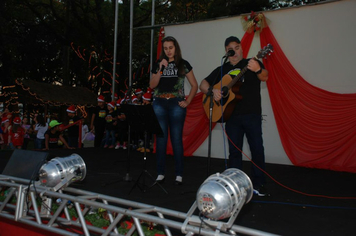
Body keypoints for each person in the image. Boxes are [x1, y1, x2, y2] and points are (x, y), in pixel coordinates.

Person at [200, 36, 269, 196]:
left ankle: (259, 185)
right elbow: (203, 83)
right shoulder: (222, 69)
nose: (235, 52)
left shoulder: (251, 64)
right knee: (234, 153)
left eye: (237, 47)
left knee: (257, 149)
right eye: (231, 49)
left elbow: (265, 76)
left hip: (251, 114)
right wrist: (213, 91)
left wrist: (258, 69)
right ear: (227, 52)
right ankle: (235, 186)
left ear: (242, 48)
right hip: (231, 117)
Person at [150, 36, 198, 185]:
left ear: (175, 48)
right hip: (159, 103)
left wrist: (187, 101)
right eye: (165, 48)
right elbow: (152, 85)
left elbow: (194, 85)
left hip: (176, 103)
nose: (168, 51)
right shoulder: (159, 64)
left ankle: (178, 174)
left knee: (176, 139)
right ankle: (160, 173)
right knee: (161, 139)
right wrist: (160, 70)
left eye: (171, 47)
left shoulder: (183, 64)